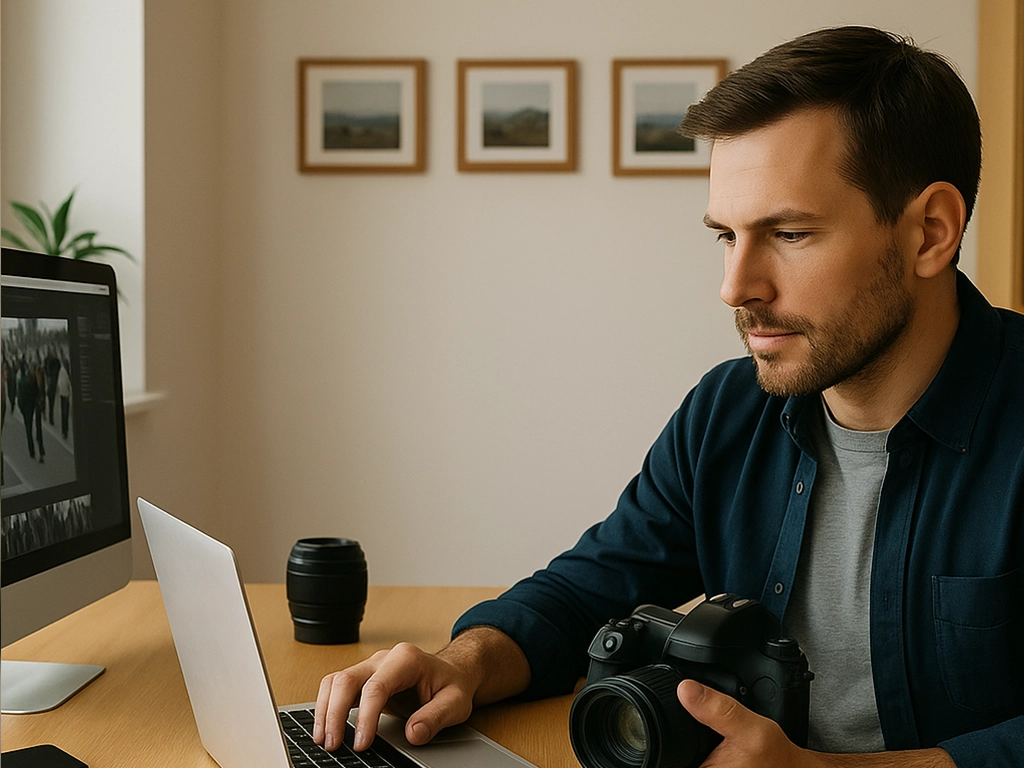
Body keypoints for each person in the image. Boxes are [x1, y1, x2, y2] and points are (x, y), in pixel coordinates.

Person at [313, 26, 1023, 767]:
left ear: (930, 232)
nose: (735, 287)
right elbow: (585, 591)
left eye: (787, 232)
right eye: (726, 235)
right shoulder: (728, 411)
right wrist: (465, 663)